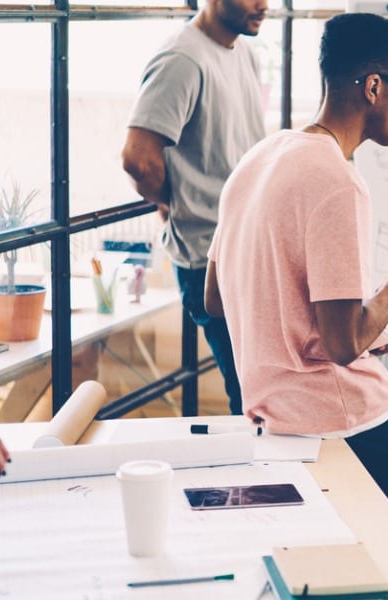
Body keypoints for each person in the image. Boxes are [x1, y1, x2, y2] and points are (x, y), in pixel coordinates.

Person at [202, 13, 388, 595]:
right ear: (374, 88)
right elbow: (343, 346)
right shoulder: (337, 180)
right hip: (331, 405)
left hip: (272, 393)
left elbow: (215, 299)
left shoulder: (262, 156)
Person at [121, 0, 269, 416]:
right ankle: (257, 481)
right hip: (208, 260)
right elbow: (138, 157)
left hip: (242, 251)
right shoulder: (182, 59)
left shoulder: (244, 52)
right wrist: (171, 201)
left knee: (263, 393)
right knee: (255, 398)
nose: (264, 4)